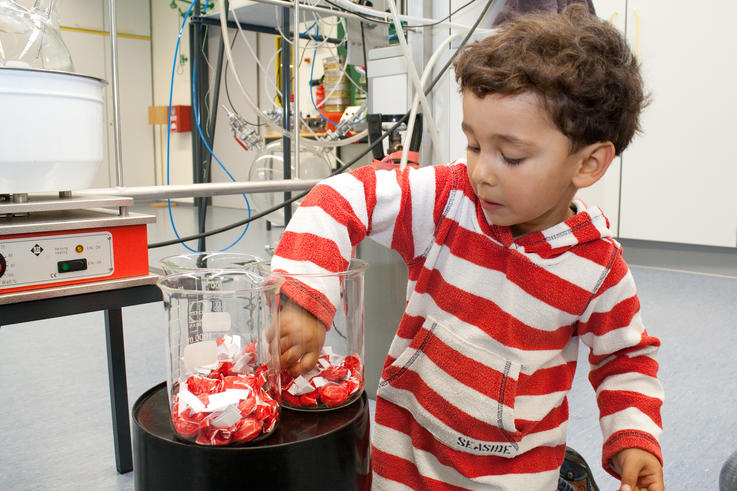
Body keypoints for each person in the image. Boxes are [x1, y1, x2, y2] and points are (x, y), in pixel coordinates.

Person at [272, 5, 664, 490]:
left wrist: (634, 440)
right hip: (403, 466)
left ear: (588, 164)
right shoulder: (446, 202)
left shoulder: (598, 267)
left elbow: (625, 361)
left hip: (513, 479)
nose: (482, 172)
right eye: (474, 145)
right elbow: (337, 199)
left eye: (512, 156)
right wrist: (306, 295)